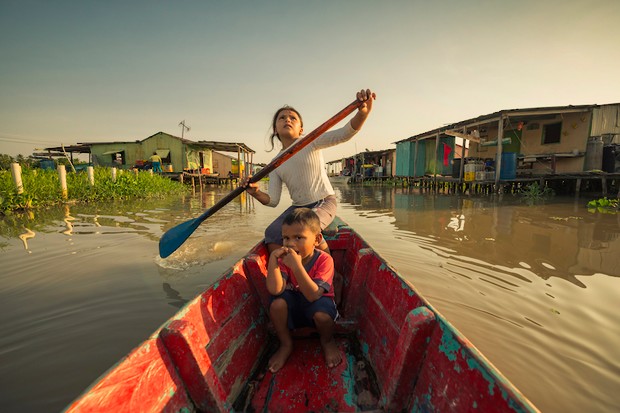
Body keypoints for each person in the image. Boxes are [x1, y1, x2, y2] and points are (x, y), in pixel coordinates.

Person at [241, 89, 375, 255]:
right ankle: (284, 272)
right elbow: (273, 200)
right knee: (272, 233)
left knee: (304, 227)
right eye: (282, 118)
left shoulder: (310, 141)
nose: (287, 120)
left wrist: (363, 113)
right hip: (298, 207)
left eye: (292, 118)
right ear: (275, 129)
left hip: (323, 201)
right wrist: (255, 192)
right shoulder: (274, 164)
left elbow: (344, 134)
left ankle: (330, 271)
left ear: (301, 129)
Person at [266, 208, 339, 373]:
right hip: (295, 304)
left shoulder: (325, 260)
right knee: (276, 304)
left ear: (317, 239)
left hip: (318, 302)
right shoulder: (285, 259)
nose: (290, 243)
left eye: (298, 238)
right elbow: (275, 289)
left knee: (323, 316)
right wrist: (273, 260)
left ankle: (327, 341)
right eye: (286, 238)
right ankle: (286, 343)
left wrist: (297, 267)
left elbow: (314, 295)